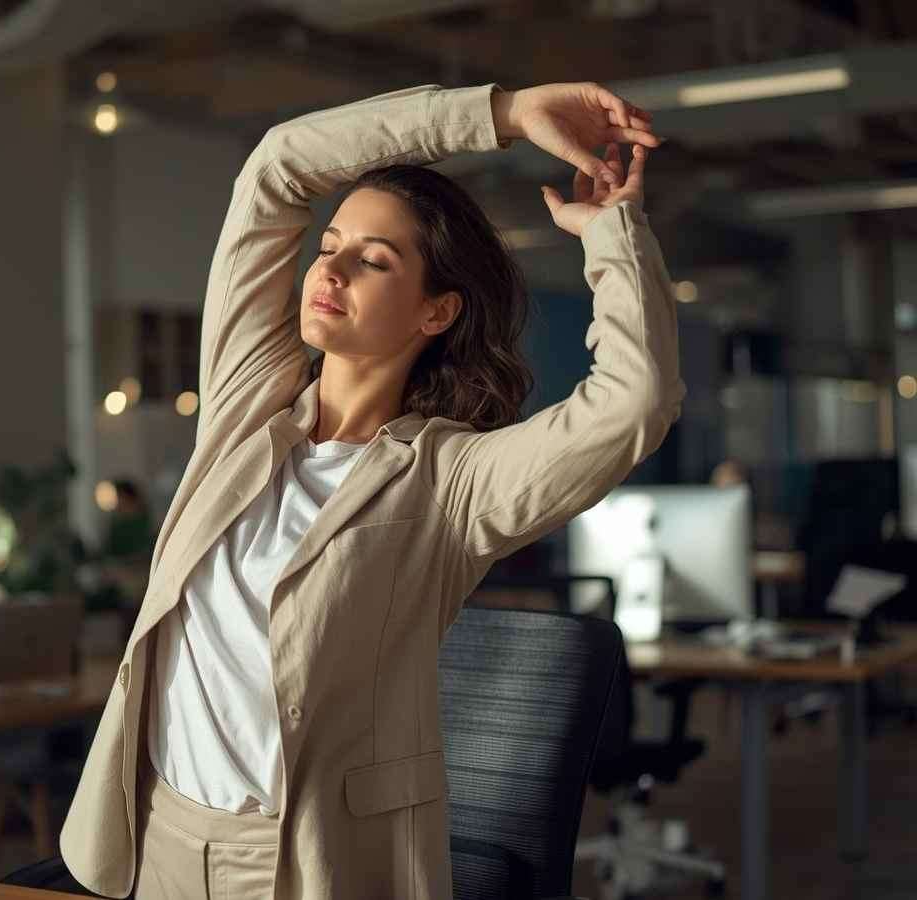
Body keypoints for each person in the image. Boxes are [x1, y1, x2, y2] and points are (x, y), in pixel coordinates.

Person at [60, 81, 681, 900]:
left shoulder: (453, 482)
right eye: (332, 245)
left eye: (375, 260)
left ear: (436, 313)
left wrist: (610, 234)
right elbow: (280, 165)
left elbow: (636, 400)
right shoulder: (249, 401)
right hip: (156, 836)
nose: (333, 268)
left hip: (301, 862)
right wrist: (500, 114)